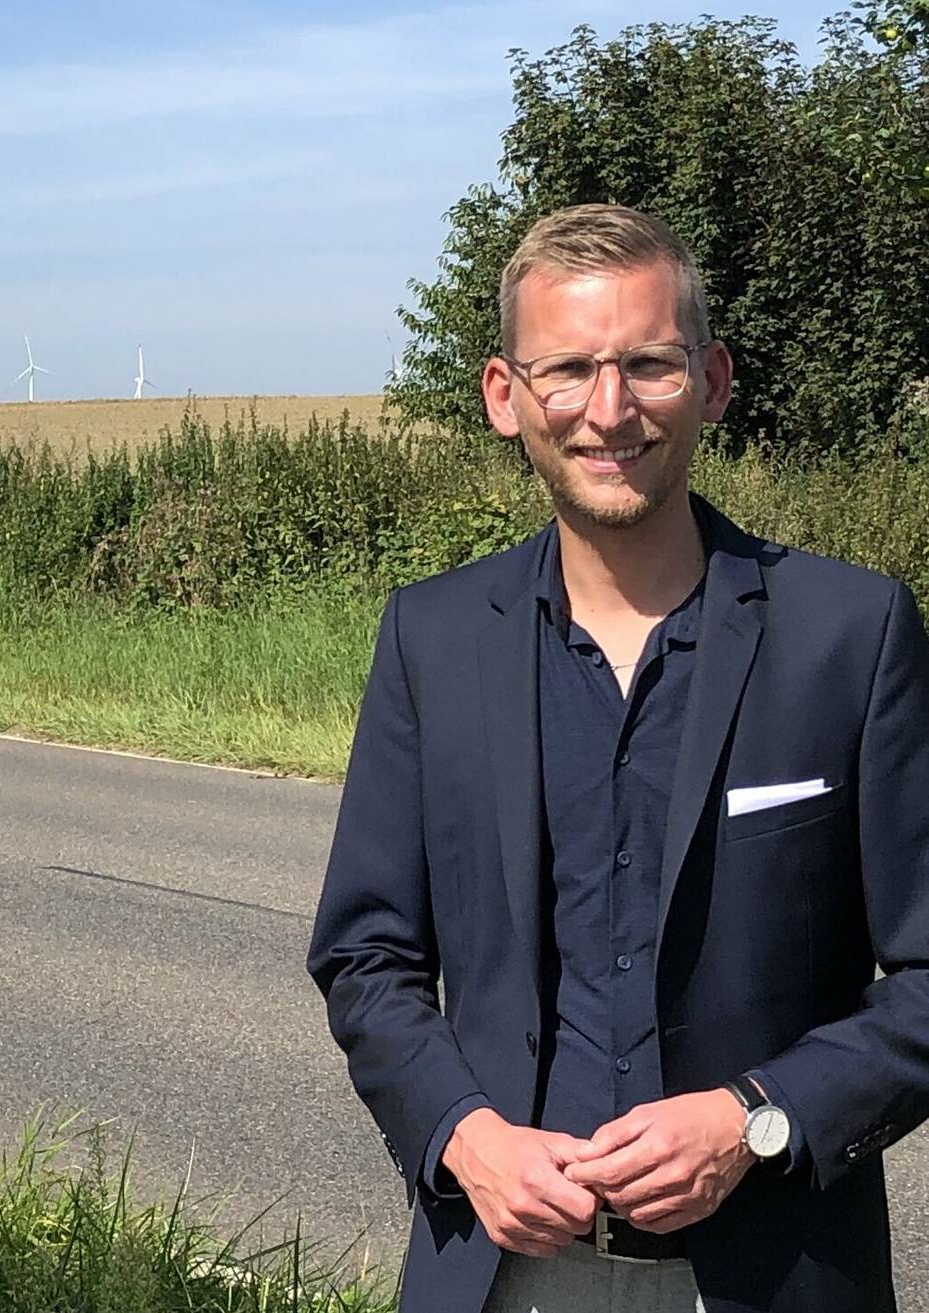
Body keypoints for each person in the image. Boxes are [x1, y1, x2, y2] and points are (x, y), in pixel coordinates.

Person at [307, 204, 929, 1313]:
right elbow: (366, 956)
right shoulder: (431, 639)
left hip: (775, 1275)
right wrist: (462, 1134)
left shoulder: (851, 632)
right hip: (499, 1275)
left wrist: (756, 1116)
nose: (610, 410)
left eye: (649, 363)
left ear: (714, 378)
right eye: (570, 369)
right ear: (507, 394)